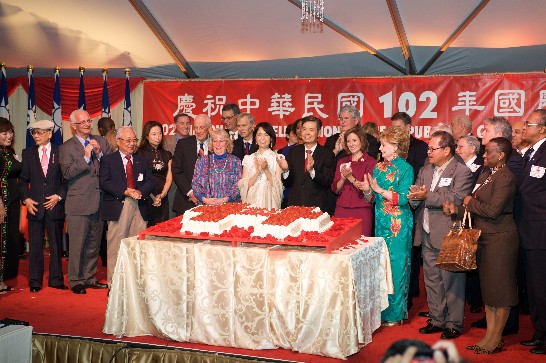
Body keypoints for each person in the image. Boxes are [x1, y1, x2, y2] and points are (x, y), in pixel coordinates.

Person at [444, 137, 518, 355]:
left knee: (501, 292)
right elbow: (473, 204)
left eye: (488, 152)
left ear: (501, 154)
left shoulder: (506, 177)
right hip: (484, 237)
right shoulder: (487, 174)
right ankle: (489, 336)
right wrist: (456, 210)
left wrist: (468, 202)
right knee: (489, 291)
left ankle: (496, 338)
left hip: (501, 239)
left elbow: (493, 210)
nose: (484, 156)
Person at [408, 131, 473, 339]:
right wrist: (414, 198)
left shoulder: (461, 171)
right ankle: (437, 319)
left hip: (448, 232)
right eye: (428, 148)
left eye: (433, 149)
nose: (429, 152)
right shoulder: (426, 169)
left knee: (451, 280)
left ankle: (453, 323)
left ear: (446, 150)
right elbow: (417, 196)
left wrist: (427, 195)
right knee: (432, 279)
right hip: (426, 230)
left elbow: (455, 198)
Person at [359, 126, 413, 323]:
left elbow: (405, 198)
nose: (380, 148)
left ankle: (397, 314)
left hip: (398, 224)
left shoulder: (406, 168)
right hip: (381, 221)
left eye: (384, 145)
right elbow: (372, 198)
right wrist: (367, 190)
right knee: (381, 266)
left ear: (396, 147)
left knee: (397, 266)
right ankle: (380, 312)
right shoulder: (378, 167)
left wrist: (379, 190)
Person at [60, 109, 111, 294]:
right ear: (73, 126)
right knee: (77, 245)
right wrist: (86, 157)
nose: (88, 124)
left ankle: (89, 277)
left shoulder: (102, 141)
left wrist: (99, 154)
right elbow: (67, 173)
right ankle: (76, 280)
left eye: (89, 120)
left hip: (99, 202)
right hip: (78, 204)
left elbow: (111, 166)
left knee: (93, 244)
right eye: (83, 122)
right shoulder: (67, 147)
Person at [100, 126, 154, 286]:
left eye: (134, 140)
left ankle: (134, 284)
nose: (132, 144)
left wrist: (139, 192)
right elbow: (104, 182)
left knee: (136, 246)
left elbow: (150, 181)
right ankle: (114, 283)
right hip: (119, 204)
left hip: (139, 205)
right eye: (128, 140)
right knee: (116, 245)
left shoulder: (142, 159)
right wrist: (125, 191)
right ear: (118, 141)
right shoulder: (108, 160)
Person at [19, 119, 68, 293]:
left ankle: (56, 279)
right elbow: (23, 181)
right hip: (35, 207)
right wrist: (26, 199)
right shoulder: (28, 153)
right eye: (34, 132)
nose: (35, 136)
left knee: (56, 245)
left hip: (55, 207)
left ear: (49, 133)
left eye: (39, 132)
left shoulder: (60, 152)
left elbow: (66, 180)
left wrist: (59, 196)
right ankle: (35, 281)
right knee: (35, 246)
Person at [390, 111, 428, 310]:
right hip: (390, 207)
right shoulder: (388, 150)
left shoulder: (420, 147)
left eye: (398, 128)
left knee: (412, 250)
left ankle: (411, 291)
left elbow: (419, 176)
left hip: (412, 204)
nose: (395, 132)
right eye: (392, 128)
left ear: (408, 128)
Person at [516, 109, 546, 355]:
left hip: (541, 231)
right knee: (534, 288)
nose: (525, 127)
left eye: (529, 123)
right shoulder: (531, 154)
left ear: (543, 128)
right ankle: (539, 333)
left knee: (542, 286)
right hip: (526, 230)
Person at [279, 116, 335, 212]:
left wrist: (312, 170)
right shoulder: (294, 151)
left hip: (316, 207)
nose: (307, 133)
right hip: (295, 206)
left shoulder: (327, 153)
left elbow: (327, 182)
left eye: (311, 130)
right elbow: (287, 183)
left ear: (319, 133)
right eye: (304, 129)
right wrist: (286, 169)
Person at [330, 127, 376, 236]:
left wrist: (350, 177)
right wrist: (343, 178)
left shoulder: (371, 162)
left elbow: (366, 190)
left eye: (354, 140)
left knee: (362, 246)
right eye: (348, 141)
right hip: (341, 210)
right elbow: (335, 189)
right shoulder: (342, 161)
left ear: (362, 141)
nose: (351, 144)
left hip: (362, 210)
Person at [171, 114, 210, 216]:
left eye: (201, 127)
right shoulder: (183, 144)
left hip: (210, 203)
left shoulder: (216, 145)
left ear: (209, 128)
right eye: (196, 127)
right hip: (186, 201)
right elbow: (176, 170)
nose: (198, 131)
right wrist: (190, 192)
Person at [238, 122, 283, 209]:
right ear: (255, 138)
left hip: (270, 203)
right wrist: (257, 173)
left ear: (271, 138)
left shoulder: (278, 158)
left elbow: (278, 188)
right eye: (259, 134)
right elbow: (244, 187)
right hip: (252, 203)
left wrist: (266, 170)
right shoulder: (249, 158)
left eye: (266, 135)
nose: (262, 138)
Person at [0, 118, 22, 293]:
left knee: (11, 239)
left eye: (10, 132)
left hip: (13, 202)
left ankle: (4, 277)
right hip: (2, 202)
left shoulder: (9, 152)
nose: (9, 135)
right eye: (4, 132)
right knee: (2, 241)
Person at [192, 129, 242, 205]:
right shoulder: (202, 161)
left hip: (229, 207)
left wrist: (224, 200)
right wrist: (205, 200)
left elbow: (239, 185)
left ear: (227, 143)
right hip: (206, 207)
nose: (217, 144)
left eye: (221, 141)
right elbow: (195, 184)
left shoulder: (235, 161)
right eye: (215, 141)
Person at [138, 121, 173, 226]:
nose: (158, 137)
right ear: (147, 136)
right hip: (146, 196)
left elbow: (169, 177)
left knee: (162, 228)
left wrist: (163, 194)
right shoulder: (140, 153)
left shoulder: (167, 154)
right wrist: (152, 196)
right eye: (154, 134)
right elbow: (140, 177)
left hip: (162, 196)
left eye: (160, 133)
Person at [278, 122, 299, 208]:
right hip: (286, 191)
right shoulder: (280, 152)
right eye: (294, 133)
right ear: (287, 135)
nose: (297, 135)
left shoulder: (303, 150)